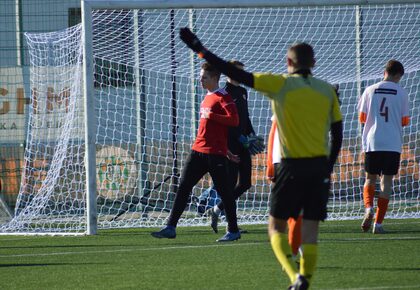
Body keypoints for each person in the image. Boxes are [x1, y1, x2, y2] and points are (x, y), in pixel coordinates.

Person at [180, 28, 343, 290]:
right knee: (311, 231)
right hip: (318, 168)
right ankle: (306, 278)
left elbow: (233, 72)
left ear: (288, 63)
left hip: (289, 167)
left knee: (275, 226)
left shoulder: (279, 83)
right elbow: (338, 134)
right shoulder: (327, 91)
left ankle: (294, 276)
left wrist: (200, 49)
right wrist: (329, 168)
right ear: (313, 64)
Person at [151, 62, 241, 242]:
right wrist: (228, 150)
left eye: (204, 77)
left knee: (225, 192)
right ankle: (170, 227)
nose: (200, 80)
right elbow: (211, 129)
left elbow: (234, 120)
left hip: (214, 154)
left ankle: (233, 230)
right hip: (197, 151)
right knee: (184, 186)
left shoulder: (223, 96)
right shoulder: (207, 97)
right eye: (201, 76)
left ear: (214, 78)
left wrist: (213, 119)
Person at [206, 60, 263, 234]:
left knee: (245, 183)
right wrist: (236, 137)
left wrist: (251, 136)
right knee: (229, 185)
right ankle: (231, 225)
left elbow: (245, 118)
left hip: (244, 144)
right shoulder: (224, 93)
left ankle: (216, 209)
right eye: (237, 71)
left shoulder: (243, 92)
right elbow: (226, 123)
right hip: (229, 146)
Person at [358, 60, 409, 234]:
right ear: (398, 75)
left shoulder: (369, 90)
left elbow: (362, 118)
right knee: (386, 182)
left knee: (370, 178)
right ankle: (378, 224)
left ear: (384, 71)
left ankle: (368, 208)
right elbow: (404, 121)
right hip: (392, 143)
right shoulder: (401, 93)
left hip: (373, 141)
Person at [267, 116, 302, 263]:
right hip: (297, 162)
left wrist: (271, 164)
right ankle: (294, 254)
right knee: (297, 213)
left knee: (285, 217)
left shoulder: (284, 97)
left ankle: (294, 253)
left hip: (282, 163)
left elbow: (273, 134)